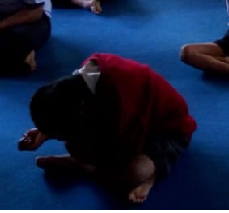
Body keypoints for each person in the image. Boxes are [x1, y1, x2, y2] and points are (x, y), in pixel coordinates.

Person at [18, 53, 197, 204]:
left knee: (134, 173)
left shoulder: (117, 102)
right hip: (123, 120)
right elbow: (63, 109)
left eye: (60, 135)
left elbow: (121, 154)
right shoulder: (78, 85)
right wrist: (44, 132)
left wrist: (83, 156)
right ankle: (82, 162)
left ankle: (82, 167)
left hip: (169, 129)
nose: (60, 139)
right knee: (79, 147)